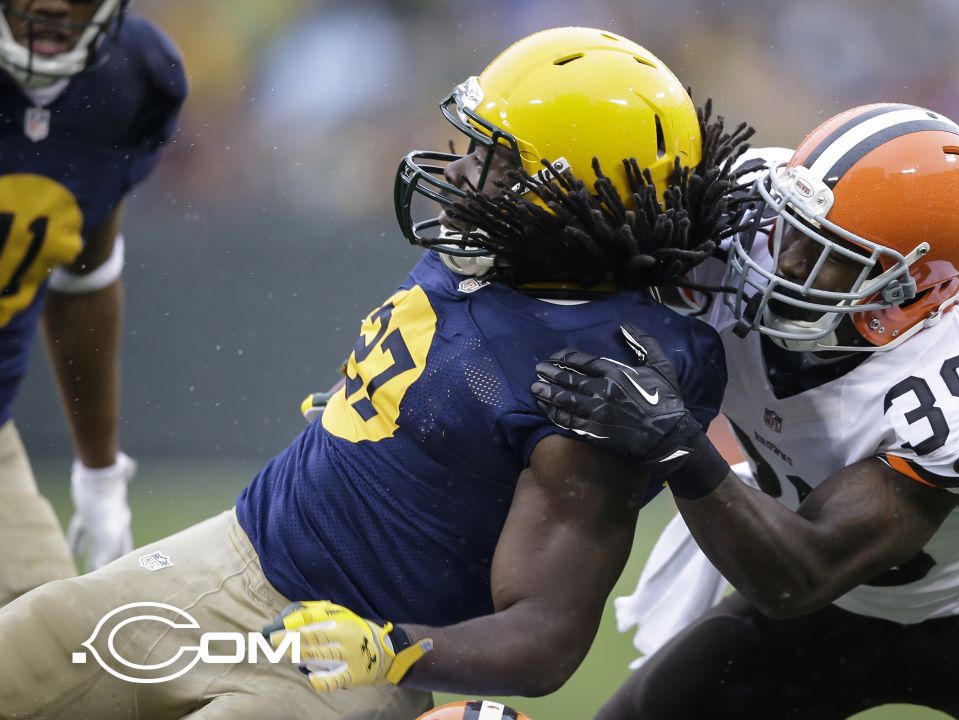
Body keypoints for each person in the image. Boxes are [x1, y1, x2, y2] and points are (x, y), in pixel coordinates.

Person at [0, 26, 751, 719]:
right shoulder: (493, 254)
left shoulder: (595, 384)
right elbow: (466, 375)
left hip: (344, 660)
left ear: (568, 198)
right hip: (230, 553)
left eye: (492, 159)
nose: (459, 171)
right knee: (20, 653)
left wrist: (392, 650)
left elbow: (546, 636)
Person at [533, 103, 959, 719]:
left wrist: (674, 444)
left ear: (909, 290)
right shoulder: (747, 207)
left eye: (832, 254)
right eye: (794, 230)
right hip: (822, 616)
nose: (789, 262)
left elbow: (797, 578)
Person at [0, 0, 185, 603]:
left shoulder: (132, 82)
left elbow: (84, 274)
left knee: (43, 641)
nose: (54, 4)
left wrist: (100, 474)